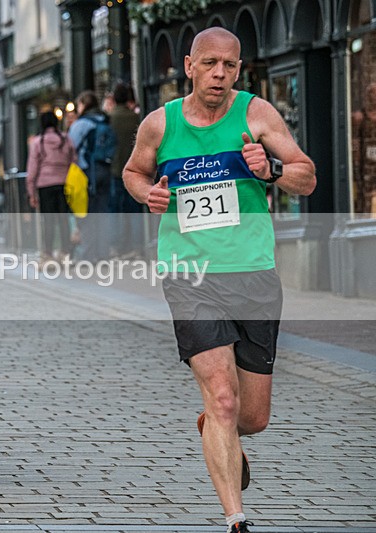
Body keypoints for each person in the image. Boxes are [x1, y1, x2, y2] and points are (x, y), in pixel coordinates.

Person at [123, 28, 316, 533]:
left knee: (250, 417)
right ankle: (235, 517)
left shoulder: (256, 115)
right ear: (188, 65)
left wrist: (271, 168)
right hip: (189, 274)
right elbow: (133, 172)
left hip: (252, 274)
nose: (219, 74)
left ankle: (216, 429)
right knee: (222, 395)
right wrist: (149, 194)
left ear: (239, 68)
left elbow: (307, 175)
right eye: (209, 63)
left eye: (229, 66)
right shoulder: (158, 124)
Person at [68, 90, 115, 262]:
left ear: (83, 105)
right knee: (102, 213)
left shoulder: (80, 124)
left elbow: (70, 148)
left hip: (86, 172)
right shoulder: (105, 120)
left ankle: (89, 255)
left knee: (86, 214)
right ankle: (103, 253)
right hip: (105, 169)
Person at [26, 111, 76, 262]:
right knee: (63, 220)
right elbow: (74, 161)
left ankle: (47, 254)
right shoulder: (65, 139)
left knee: (48, 221)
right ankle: (65, 253)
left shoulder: (38, 142)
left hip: (44, 186)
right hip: (64, 184)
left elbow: (32, 170)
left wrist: (31, 193)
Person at [109, 82, 143, 258]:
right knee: (135, 210)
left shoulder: (109, 118)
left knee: (116, 211)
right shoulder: (136, 118)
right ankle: (137, 247)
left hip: (115, 171)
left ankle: (118, 247)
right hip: (136, 169)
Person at [352, 82, 376, 215]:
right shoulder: (360, 117)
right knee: (366, 192)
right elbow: (356, 141)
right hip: (366, 164)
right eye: (372, 94)